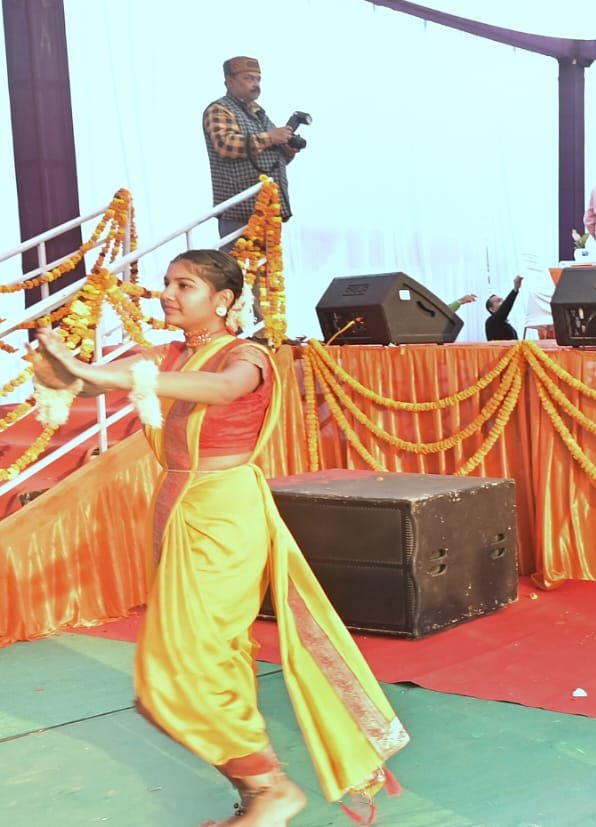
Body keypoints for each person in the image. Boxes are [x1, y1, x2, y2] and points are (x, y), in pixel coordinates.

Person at [23, 249, 407, 826]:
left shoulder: (246, 357)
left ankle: (272, 789)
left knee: (185, 665)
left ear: (223, 300)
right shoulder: (172, 355)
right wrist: (59, 372)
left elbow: (223, 390)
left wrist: (109, 375)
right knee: (201, 662)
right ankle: (259, 793)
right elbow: (90, 387)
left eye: (185, 285)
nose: (167, 294)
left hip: (224, 515)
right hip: (176, 508)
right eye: (167, 283)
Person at [204, 56, 297, 246]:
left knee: (268, 265)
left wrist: (286, 151)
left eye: (258, 79)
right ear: (229, 81)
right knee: (235, 263)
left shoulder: (259, 113)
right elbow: (226, 145)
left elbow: (267, 159)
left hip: (268, 210)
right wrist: (271, 137)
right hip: (239, 210)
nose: (255, 84)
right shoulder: (219, 110)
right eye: (248, 78)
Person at [485, 275, 522, 341]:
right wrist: (515, 289)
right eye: (498, 301)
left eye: (503, 300)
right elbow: (504, 309)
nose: (503, 302)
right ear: (492, 309)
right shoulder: (491, 321)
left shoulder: (506, 324)